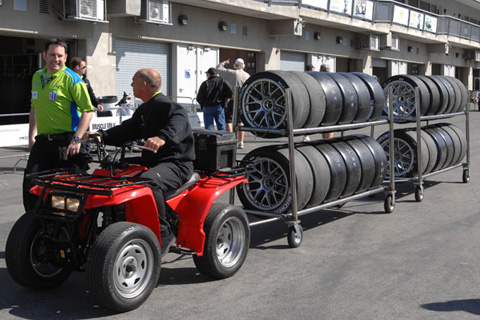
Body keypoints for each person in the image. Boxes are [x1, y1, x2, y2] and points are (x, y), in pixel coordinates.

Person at [93, 68, 195, 256]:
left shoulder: (167, 105)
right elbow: (126, 130)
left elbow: (180, 121)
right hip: (154, 162)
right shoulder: (143, 109)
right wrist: (101, 136)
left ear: (143, 85)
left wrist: (163, 137)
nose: (131, 85)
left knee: (148, 182)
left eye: (133, 82)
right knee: (111, 175)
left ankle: (163, 233)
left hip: (176, 163)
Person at [23, 39, 95, 211]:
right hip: (43, 142)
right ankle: (34, 228)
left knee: (68, 193)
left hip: (67, 143)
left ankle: (71, 233)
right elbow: (34, 108)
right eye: (52, 55)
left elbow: (88, 110)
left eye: (60, 56)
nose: (56, 59)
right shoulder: (37, 76)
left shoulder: (72, 79)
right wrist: (31, 136)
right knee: (31, 186)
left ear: (66, 57)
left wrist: (77, 139)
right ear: (44, 56)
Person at [216, 58, 250, 149]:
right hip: (242, 100)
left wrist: (224, 62)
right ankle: (241, 142)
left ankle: (232, 140)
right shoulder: (247, 75)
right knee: (240, 121)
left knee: (228, 120)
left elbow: (218, 69)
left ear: (235, 65)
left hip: (231, 99)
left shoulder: (232, 73)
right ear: (243, 65)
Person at [320, 64, 334, 140]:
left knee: (324, 125)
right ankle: (328, 142)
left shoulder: (321, 78)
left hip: (325, 103)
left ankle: (326, 141)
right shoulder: (332, 78)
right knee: (329, 125)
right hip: (332, 103)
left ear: (322, 70)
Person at [303, 64, 316, 142]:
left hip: (306, 99)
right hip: (309, 99)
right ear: (311, 69)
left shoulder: (302, 76)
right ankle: (306, 135)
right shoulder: (310, 77)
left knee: (306, 118)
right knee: (308, 118)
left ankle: (306, 135)